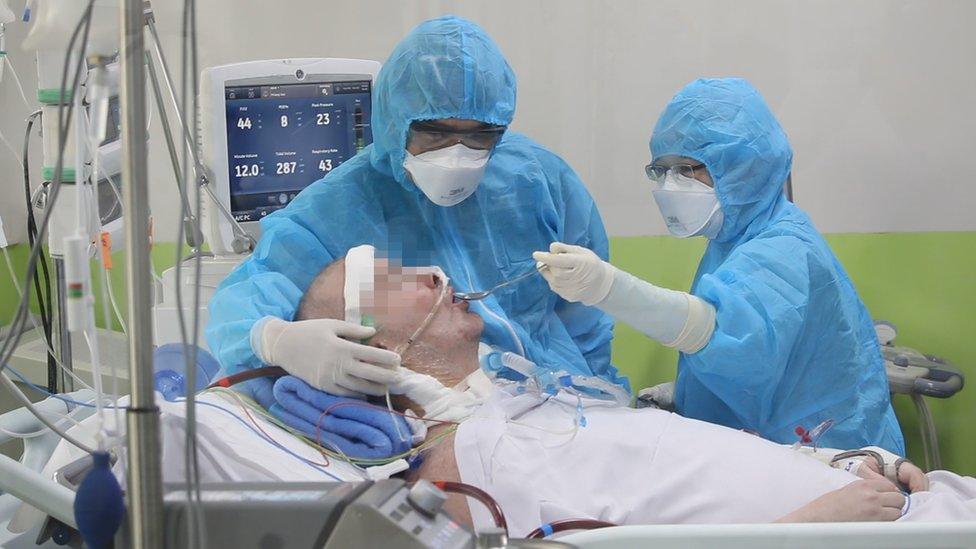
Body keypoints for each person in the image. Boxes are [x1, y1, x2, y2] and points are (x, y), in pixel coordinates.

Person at [283, 252, 974, 537]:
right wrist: (811, 530)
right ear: (375, 348)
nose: (434, 272)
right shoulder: (471, 460)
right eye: (398, 277)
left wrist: (846, 463)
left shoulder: (528, 405)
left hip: (906, 503)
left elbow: (686, 463)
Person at [205, 15, 625, 405]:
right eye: (435, 133)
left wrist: (599, 391)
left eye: (481, 136)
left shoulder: (537, 179)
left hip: (565, 403)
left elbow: (585, 312)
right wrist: (274, 339)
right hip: (442, 418)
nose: (458, 154)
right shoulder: (333, 211)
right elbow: (248, 297)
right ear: (393, 120)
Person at [533, 78, 904, 454]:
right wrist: (688, 392)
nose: (669, 186)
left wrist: (605, 287)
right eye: (660, 170)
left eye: (687, 169)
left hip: (830, 458)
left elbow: (722, 335)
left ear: (745, 166)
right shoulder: (731, 241)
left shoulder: (785, 248)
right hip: (775, 452)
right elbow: (765, 359)